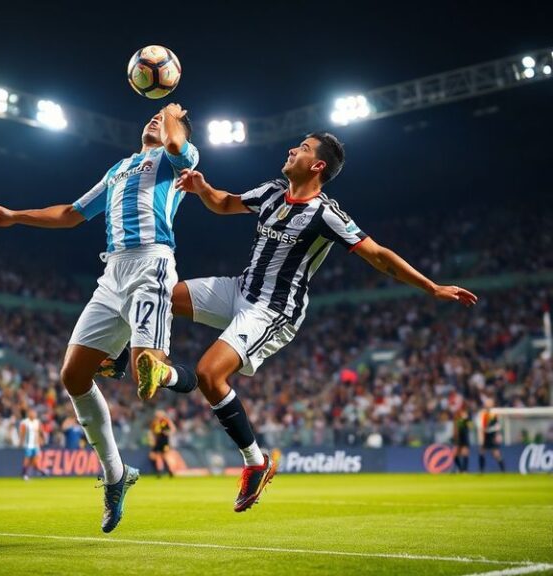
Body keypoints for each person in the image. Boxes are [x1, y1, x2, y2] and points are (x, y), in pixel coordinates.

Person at [137, 132, 478, 512]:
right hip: (239, 288)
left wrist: (431, 287)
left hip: (273, 310)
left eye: (302, 149)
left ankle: (255, 462)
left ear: (317, 165)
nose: (291, 149)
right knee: (159, 295)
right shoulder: (271, 192)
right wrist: (203, 188)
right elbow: (225, 203)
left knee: (209, 373)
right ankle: (137, 363)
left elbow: (378, 255)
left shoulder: (325, 214)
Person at [0, 104, 200, 532]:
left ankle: (176, 375)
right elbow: (71, 213)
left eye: (163, 117)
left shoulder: (178, 160)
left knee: (147, 375)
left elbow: (175, 142)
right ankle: (116, 474)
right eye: (152, 114)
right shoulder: (118, 170)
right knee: (73, 376)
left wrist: (171, 111)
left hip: (151, 263)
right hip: (112, 273)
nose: (155, 118)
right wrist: (15, 216)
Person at [478, 398, 505, 472]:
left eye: (489, 403)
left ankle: (503, 470)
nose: (487, 405)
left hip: (492, 434)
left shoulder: (494, 413)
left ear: (492, 404)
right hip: (485, 434)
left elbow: (498, 425)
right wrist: (481, 436)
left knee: (496, 453)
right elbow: (481, 426)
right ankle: (481, 470)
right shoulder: (482, 414)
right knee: (481, 451)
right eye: (487, 403)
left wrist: (498, 434)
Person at [148, 410, 176, 478]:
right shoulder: (154, 423)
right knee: (158, 456)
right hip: (158, 441)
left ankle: (169, 470)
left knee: (165, 456)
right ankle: (160, 471)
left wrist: (168, 433)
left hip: (164, 441)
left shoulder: (166, 421)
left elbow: (173, 429)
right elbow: (151, 432)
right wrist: (152, 440)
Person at [19, 408, 45, 480]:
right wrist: (21, 442)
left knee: (35, 461)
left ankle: (38, 473)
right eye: (32, 413)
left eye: (34, 413)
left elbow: (40, 432)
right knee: (27, 459)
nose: (33, 415)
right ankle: (25, 474)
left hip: (36, 445)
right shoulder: (25, 422)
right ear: (28, 414)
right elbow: (22, 433)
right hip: (28, 445)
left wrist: (42, 439)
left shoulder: (37, 422)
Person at [453, 406, 472, 473]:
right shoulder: (458, 420)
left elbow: (471, 427)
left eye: (464, 413)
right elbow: (457, 429)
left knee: (465, 453)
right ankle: (461, 469)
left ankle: (464, 469)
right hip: (459, 439)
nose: (463, 414)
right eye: (462, 413)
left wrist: (466, 419)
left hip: (465, 438)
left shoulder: (468, 420)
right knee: (455, 454)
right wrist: (455, 437)